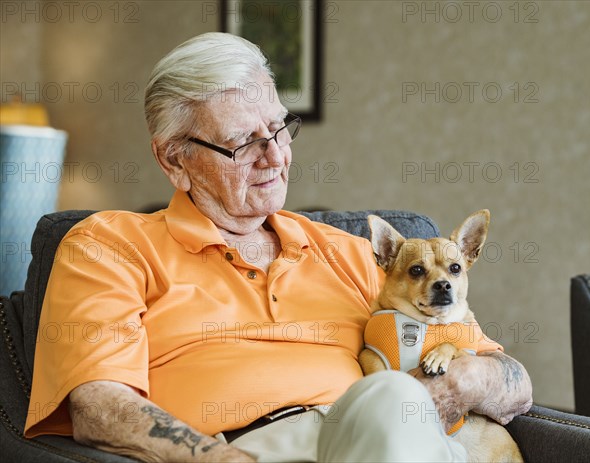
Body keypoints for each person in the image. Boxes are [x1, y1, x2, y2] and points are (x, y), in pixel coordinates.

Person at [24, 33, 532, 462]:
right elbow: (98, 405)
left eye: (279, 129)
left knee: (393, 401)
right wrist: (219, 459)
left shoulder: (358, 255)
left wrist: (456, 385)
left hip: (391, 433)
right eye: (244, 142)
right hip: (248, 449)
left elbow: (513, 382)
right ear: (174, 160)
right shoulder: (110, 245)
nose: (274, 156)